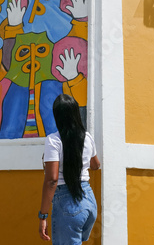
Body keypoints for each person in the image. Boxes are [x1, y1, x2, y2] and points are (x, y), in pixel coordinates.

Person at [39, 94, 100, 244]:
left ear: (57, 116)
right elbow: (96, 165)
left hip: (68, 204)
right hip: (89, 201)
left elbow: (52, 180)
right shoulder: (87, 137)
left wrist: (43, 215)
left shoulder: (54, 141)